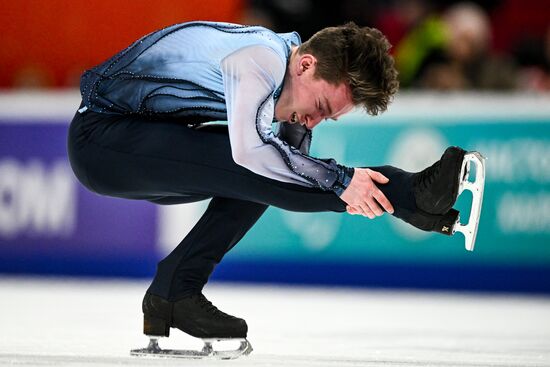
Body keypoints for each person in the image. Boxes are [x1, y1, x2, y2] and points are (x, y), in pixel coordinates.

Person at [67, 20, 473, 355]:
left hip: (141, 140)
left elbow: (284, 165)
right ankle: (412, 197)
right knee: (260, 161)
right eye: (321, 108)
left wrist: (342, 182)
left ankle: (174, 291)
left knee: (273, 169)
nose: (313, 121)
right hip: (102, 141)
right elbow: (251, 152)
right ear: (306, 65)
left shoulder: (289, 76)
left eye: (327, 118)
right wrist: (344, 180)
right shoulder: (260, 57)